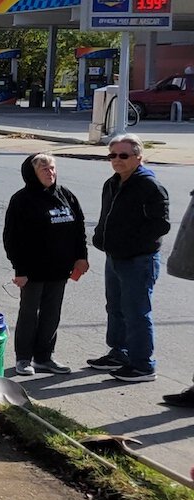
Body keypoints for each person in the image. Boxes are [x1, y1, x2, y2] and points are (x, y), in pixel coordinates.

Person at [87, 134, 170, 383]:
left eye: (123, 155)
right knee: (115, 308)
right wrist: (101, 238)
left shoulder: (149, 186)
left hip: (138, 260)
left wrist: (130, 246)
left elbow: (160, 225)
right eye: (112, 155)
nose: (117, 160)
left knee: (136, 312)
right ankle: (119, 353)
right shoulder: (112, 183)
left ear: (138, 157)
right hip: (114, 257)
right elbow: (107, 217)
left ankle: (143, 365)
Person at [1, 153, 88, 376]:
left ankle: (44, 357)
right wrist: (20, 270)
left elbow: (78, 229)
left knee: (51, 314)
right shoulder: (22, 200)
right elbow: (12, 238)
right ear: (32, 173)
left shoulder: (66, 195)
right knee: (29, 313)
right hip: (32, 271)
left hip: (59, 269)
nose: (50, 173)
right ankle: (23, 359)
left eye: (52, 168)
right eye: (44, 170)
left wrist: (81, 256)